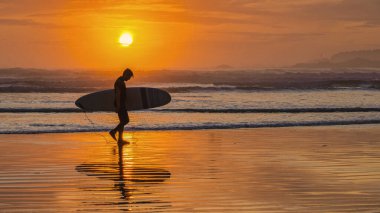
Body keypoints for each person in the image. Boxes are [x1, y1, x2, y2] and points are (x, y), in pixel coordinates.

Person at [109, 68, 134, 144]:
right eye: (129, 77)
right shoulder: (119, 82)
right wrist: (118, 106)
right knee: (126, 121)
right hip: (120, 105)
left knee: (122, 121)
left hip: (121, 104)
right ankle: (113, 131)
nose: (129, 79)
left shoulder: (121, 81)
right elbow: (118, 94)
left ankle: (120, 140)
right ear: (126, 74)